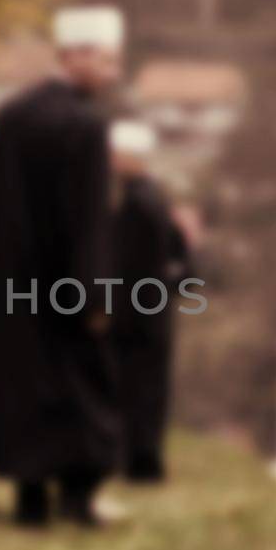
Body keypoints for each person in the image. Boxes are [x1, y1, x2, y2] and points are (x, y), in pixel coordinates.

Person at [0, 6, 123, 528]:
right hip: (67, 288)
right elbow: (87, 220)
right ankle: (78, 500)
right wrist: (94, 296)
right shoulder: (84, 124)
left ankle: (30, 501)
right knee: (82, 390)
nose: (113, 71)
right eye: (106, 59)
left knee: (22, 389)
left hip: (9, 284)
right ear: (75, 56)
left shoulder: (12, 114)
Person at [107, 120, 192, 483]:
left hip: (137, 312)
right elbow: (182, 257)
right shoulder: (154, 197)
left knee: (137, 387)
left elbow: (127, 264)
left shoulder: (135, 202)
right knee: (148, 387)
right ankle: (143, 461)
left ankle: (141, 464)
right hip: (153, 309)